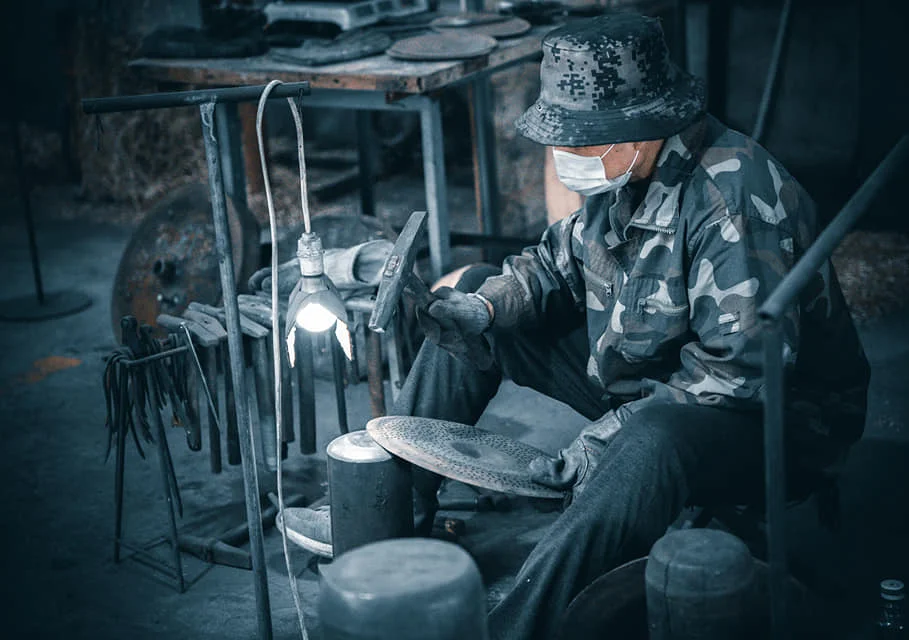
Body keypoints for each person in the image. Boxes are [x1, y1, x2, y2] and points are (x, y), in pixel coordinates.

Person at [269, 13, 869, 640]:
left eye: (579, 142)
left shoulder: (735, 200)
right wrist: (485, 308)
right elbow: (554, 266)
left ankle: (518, 625)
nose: (565, 158)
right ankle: (389, 513)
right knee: (475, 294)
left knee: (649, 442)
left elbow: (739, 379)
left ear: (638, 126)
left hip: (776, 423)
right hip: (653, 378)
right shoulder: (626, 171)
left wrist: (604, 439)